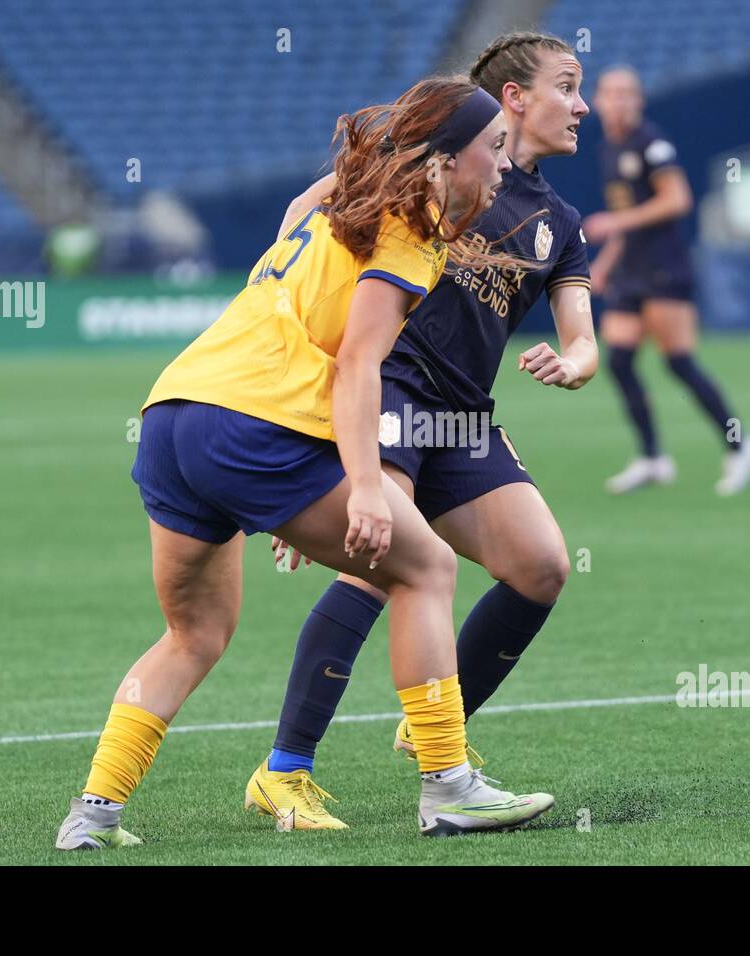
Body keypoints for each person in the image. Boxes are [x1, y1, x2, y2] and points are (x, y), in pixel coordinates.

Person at [55, 75, 555, 846]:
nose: (502, 166)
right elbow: (359, 368)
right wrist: (359, 486)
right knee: (425, 569)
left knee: (195, 632)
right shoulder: (410, 234)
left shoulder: (335, 207)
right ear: (443, 163)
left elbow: (298, 216)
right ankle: (450, 788)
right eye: (492, 149)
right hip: (254, 427)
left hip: (172, 415)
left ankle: (92, 815)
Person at [243, 31, 598, 830]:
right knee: (378, 565)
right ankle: (285, 772)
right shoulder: (434, 159)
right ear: (514, 98)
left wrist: (579, 362)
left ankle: (437, 722)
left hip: (464, 415)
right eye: (568, 86)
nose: (582, 106)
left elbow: (582, 332)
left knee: (541, 566)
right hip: (392, 390)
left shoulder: (560, 221)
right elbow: (309, 211)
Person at [584, 65, 750, 496]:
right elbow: (629, 220)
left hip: (664, 268)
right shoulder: (609, 148)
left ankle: (741, 445)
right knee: (619, 361)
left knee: (678, 361)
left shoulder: (652, 144)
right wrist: (606, 264)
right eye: (613, 93)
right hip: (631, 269)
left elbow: (678, 199)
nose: (621, 100)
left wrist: (614, 223)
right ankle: (652, 458)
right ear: (598, 100)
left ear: (640, 100)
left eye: (629, 93)